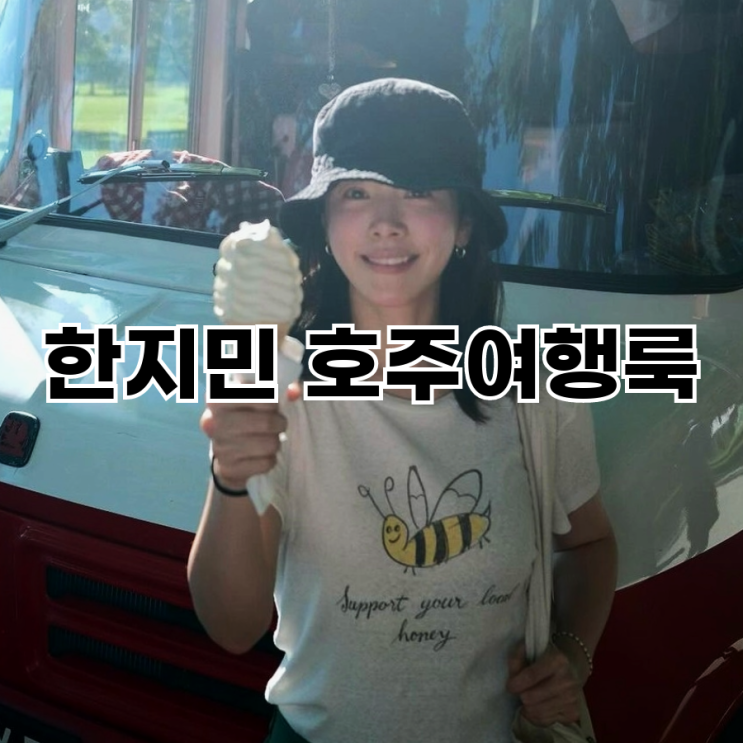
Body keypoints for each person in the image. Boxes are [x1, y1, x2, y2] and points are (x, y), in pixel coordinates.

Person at [188, 78, 618, 743]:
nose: (385, 222)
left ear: (464, 222)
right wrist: (230, 477)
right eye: (356, 193)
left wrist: (571, 654)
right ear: (324, 221)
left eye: (418, 192)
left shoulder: (536, 386)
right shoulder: (274, 386)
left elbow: (589, 544)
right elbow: (231, 625)